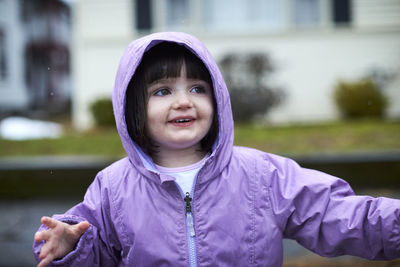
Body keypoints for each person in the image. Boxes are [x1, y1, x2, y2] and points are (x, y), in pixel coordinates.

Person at [33, 32, 400, 267]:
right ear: (133, 109)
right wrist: (71, 247)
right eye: (162, 91)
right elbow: (95, 251)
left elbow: (337, 215)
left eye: (197, 88)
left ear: (217, 99)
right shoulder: (112, 186)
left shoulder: (262, 175)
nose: (183, 102)